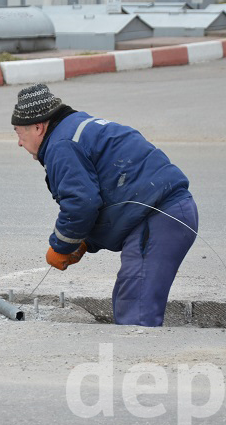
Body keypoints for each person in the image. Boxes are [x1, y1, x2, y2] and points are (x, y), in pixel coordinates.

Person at [11, 83, 198, 327]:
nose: (19, 143)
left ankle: (137, 361)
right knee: (128, 299)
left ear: (38, 127)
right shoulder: (76, 126)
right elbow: (110, 197)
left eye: (18, 133)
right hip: (166, 213)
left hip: (159, 217)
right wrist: (86, 242)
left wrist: (62, 245)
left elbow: (82, 204)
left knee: (135, 312)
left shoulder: (61, 144)